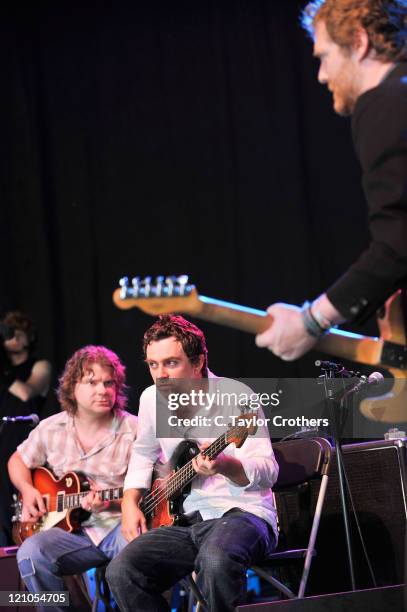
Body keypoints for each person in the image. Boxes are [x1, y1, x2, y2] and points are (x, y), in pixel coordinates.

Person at [255, 0, 407, 362]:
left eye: (324, 57)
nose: (321, 75)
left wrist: (310, 321)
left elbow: (397, 246)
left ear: (359, 41)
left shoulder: (384, 103)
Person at [106, 315, 278, 612]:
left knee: (214, 559)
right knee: (121, 571)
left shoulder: (238, 396)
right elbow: (144, 453)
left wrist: (226, 465)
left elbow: (269, 471)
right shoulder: (151, 399)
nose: (161, 376)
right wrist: (129, 501)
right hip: (186, 520)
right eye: (153, 365)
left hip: (244, 514)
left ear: (198, 362)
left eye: (171, 363)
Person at [8, 345, 137, 612]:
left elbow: (153, 487)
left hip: (119, 527)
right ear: (71, 387)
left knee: (144, 553)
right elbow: (17, 461)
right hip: (69, 534)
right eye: (92, 382)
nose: (103, 390)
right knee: (31, 554)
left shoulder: (134, 430)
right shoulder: (51, 428)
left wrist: (113, 504)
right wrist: (28, 489)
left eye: (108, 382)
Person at [0, 311, 52, 545]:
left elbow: (26, 392)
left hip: (23, 441)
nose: (15, 340)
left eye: (19, 334)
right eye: (10, 335)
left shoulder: (40, 365)